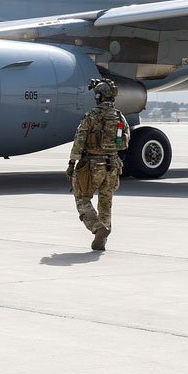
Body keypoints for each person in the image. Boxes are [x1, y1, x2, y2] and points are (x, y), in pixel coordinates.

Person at [66, 79, 130, 251]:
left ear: (98, 96)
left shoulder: (92, 116)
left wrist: (72, 163)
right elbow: (125, 141)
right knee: (106, 201)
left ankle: (97, 228)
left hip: (92, 165)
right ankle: (105, 233)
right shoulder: (119, 116)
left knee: (82, 198)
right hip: (113, 165)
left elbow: (80, 140)